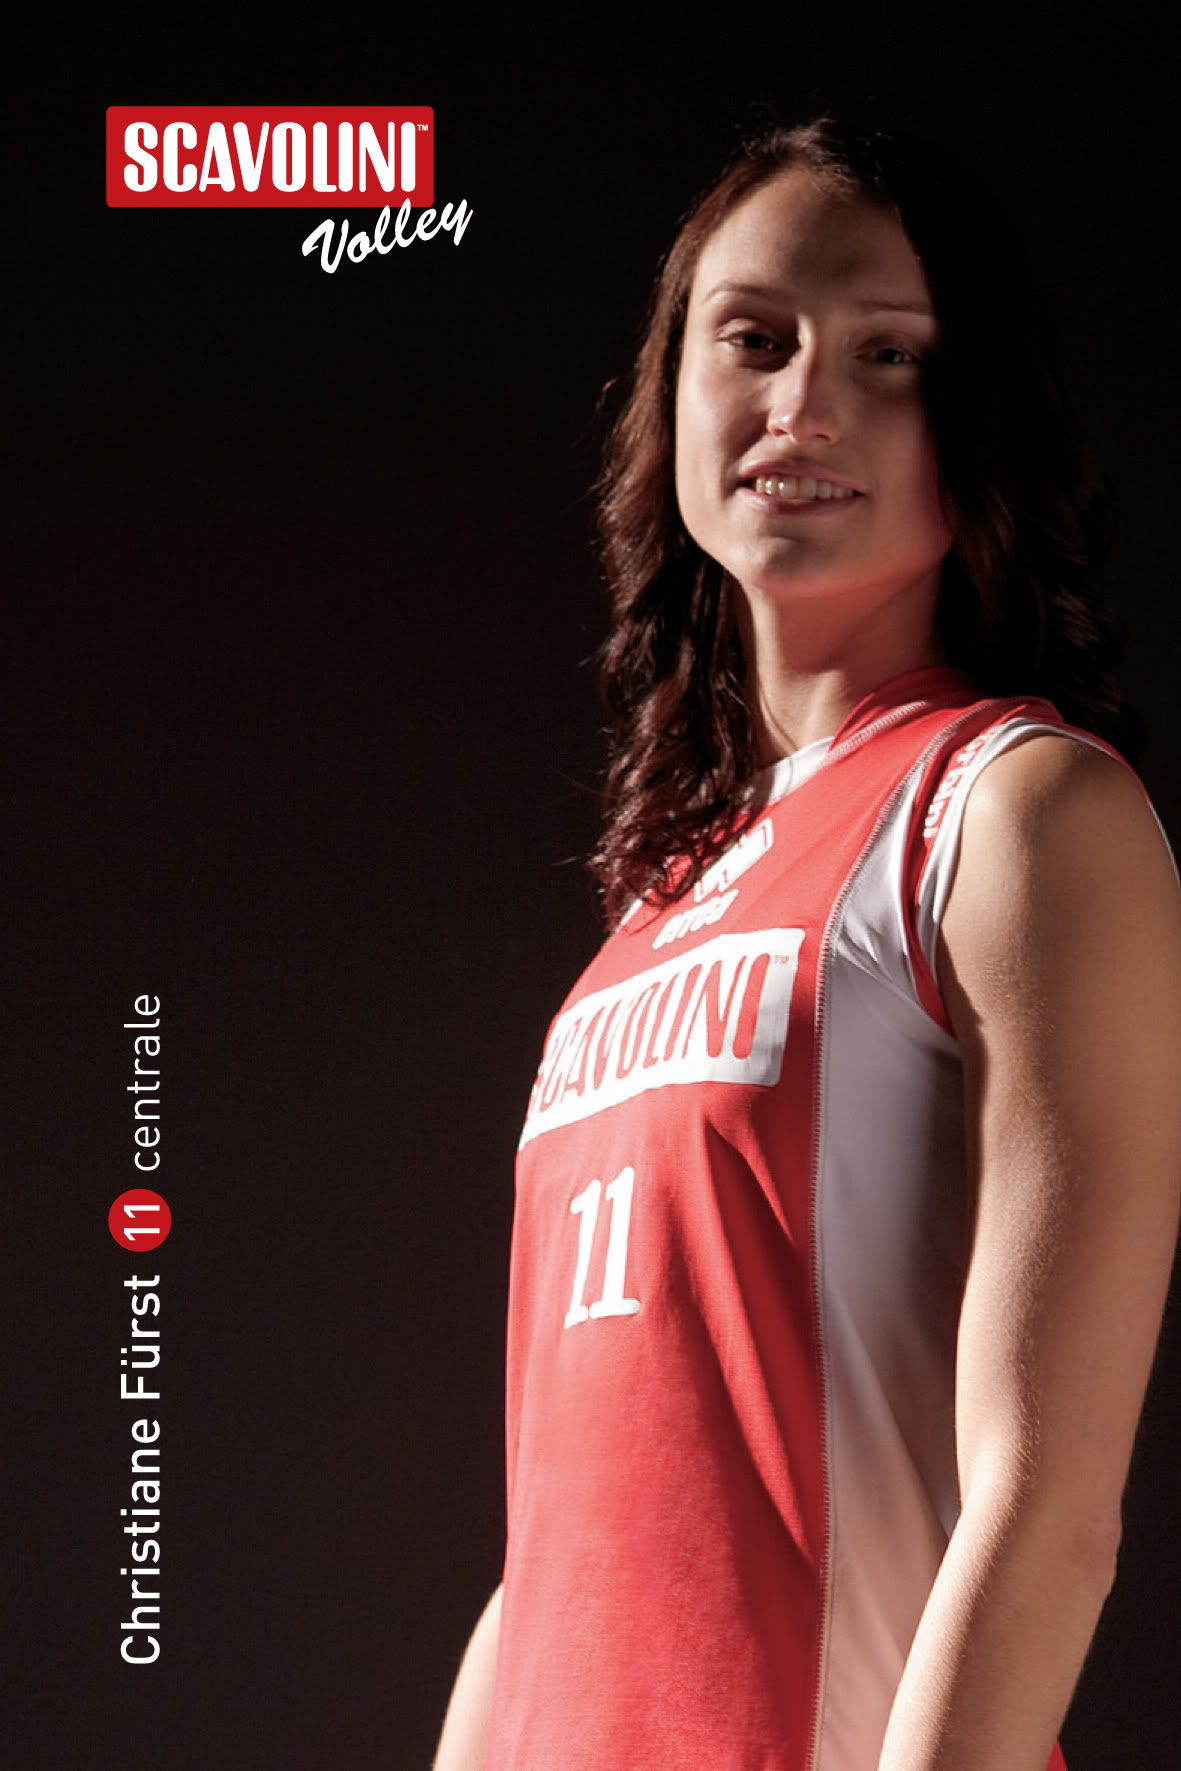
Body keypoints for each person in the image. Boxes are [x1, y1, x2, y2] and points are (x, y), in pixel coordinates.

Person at [432, 117, 1181, 1771]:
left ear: (977, 408)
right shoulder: (651, 913)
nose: (804, 404)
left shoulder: (1016, 812)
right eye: (754, 338)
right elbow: (545, 1555)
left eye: (887, 354)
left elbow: (1046, 1507)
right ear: (672, 393)